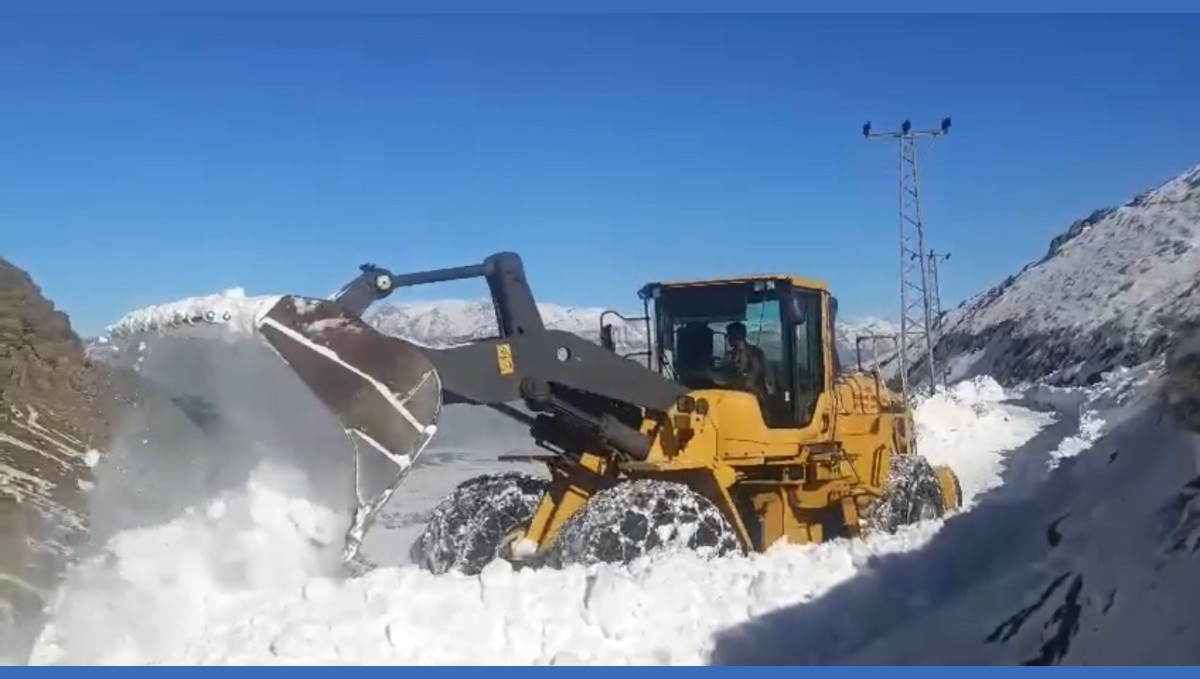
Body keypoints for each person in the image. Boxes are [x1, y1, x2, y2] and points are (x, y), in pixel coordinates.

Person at [722, 321, 772, 401]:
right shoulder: (730, 354)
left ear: (734, 336)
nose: (727, 338)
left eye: (728, 335)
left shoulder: (756, 354)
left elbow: (765, 377)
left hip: (753, 397)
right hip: (733, 396)